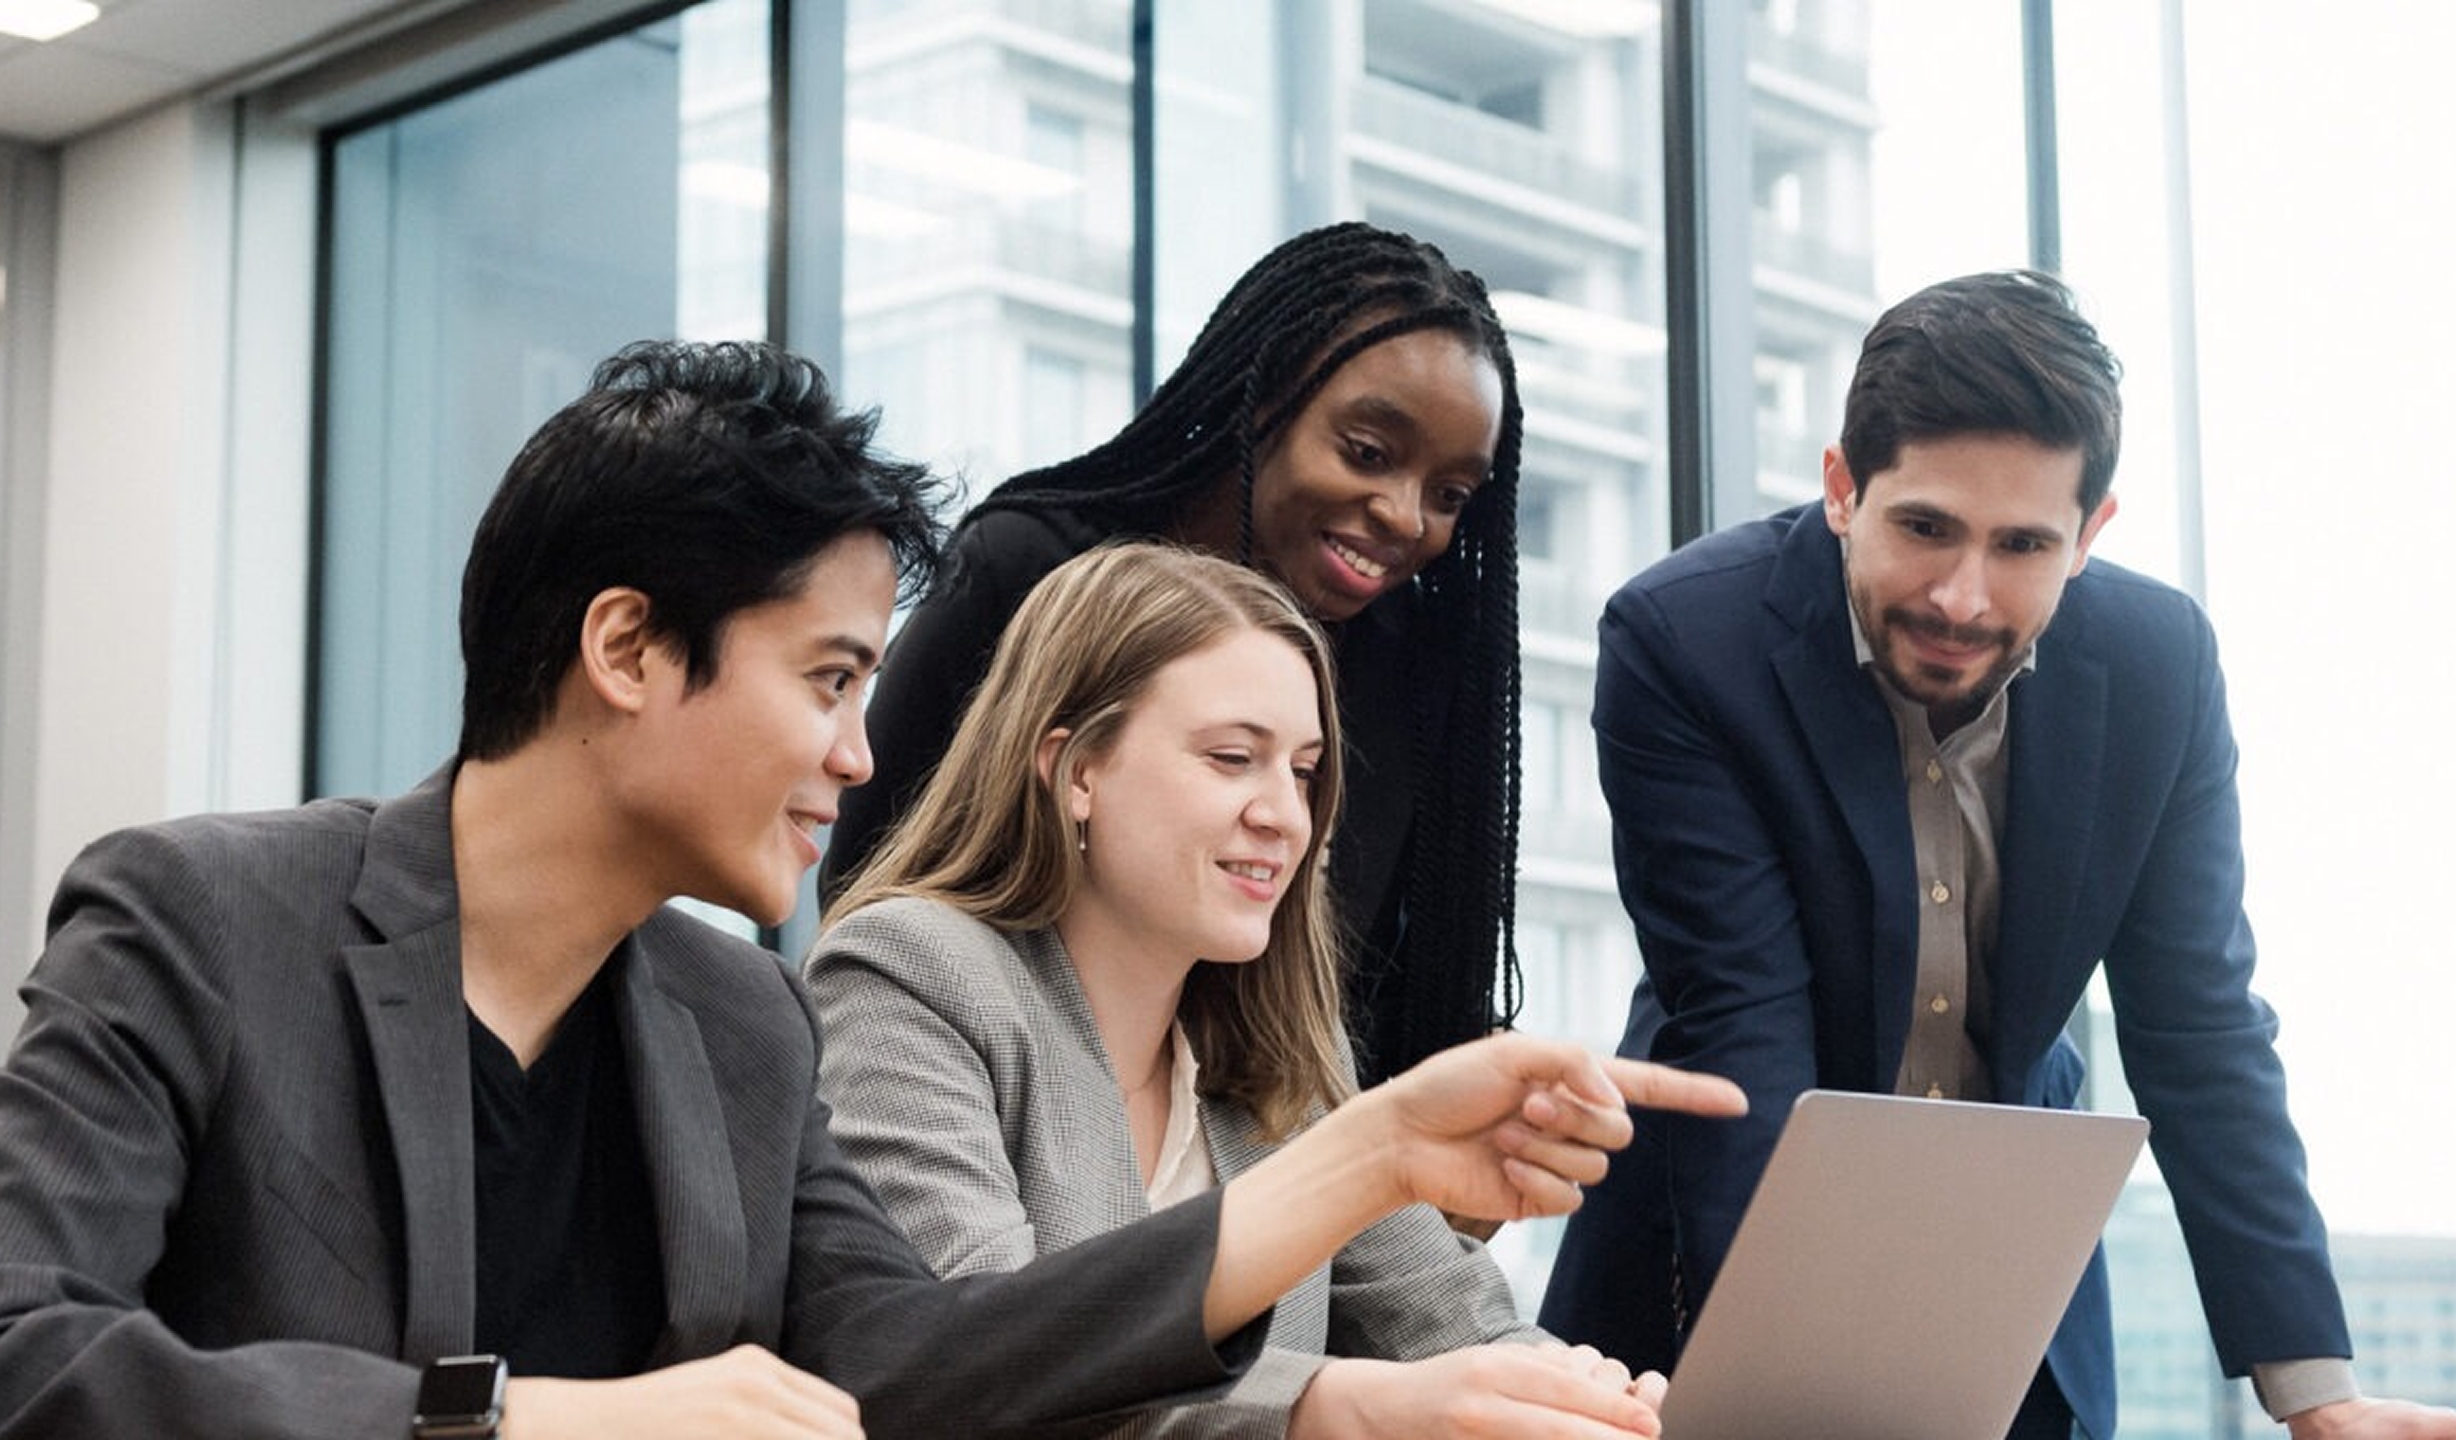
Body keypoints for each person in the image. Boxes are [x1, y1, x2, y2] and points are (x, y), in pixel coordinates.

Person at [0, 340, 1679, 1440]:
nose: (857, 754)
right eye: (828, 681)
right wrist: (515, 1424)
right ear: (626, 649)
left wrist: (1359, 1161)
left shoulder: (738, 1020)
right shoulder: (201, 923)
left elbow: (925, 1371)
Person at [1534, 272, 2456, 1440]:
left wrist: (2316, 1396)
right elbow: (1740, 1024)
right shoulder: (1684, 642)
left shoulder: (2160, 668)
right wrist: (1801, 1387)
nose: (1962, 596)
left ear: (2090, 534)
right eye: (1924, 527)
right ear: (1839, 489)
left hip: (2013, 1308)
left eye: (2022, 544)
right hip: (1705, 1292)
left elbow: (2200, 1028)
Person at [811, 542, 1749, 1440]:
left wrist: (1588, 1403)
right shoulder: (911, 974)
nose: (1283, 816)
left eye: (1302, 772)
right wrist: (1333, 1407)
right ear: (1075, 768)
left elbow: (1451, 1326)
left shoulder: (1278, 1040)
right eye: (1231, 758)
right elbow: (972, 1377)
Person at [821, 220, 1525, 1085]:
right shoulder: (1028, 573)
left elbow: (1376, 990)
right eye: (1367, 454)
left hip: (1279, 1147)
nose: (1406, 517)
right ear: (1264, 398)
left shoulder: (1407, 661)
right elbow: (868, 886)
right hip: (997, 1111)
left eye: (1449, 494)